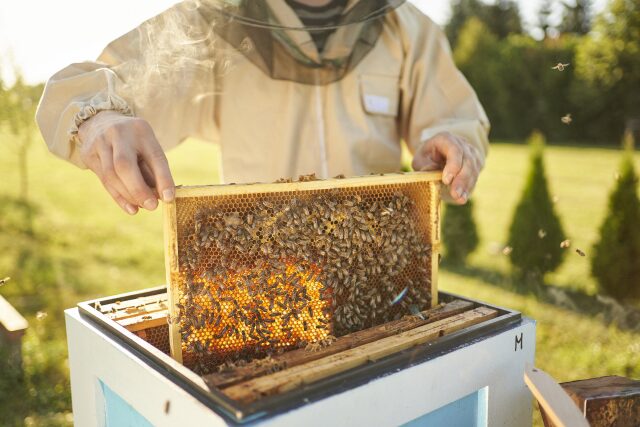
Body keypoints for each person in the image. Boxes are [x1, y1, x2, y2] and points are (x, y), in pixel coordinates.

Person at [36, 0, 489, 215]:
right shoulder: (211, 21)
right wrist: (98, 118)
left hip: (381, 271)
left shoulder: (408, 29)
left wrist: (453, 147)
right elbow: (86, 87)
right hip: (262, 275)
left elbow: (455, 118)